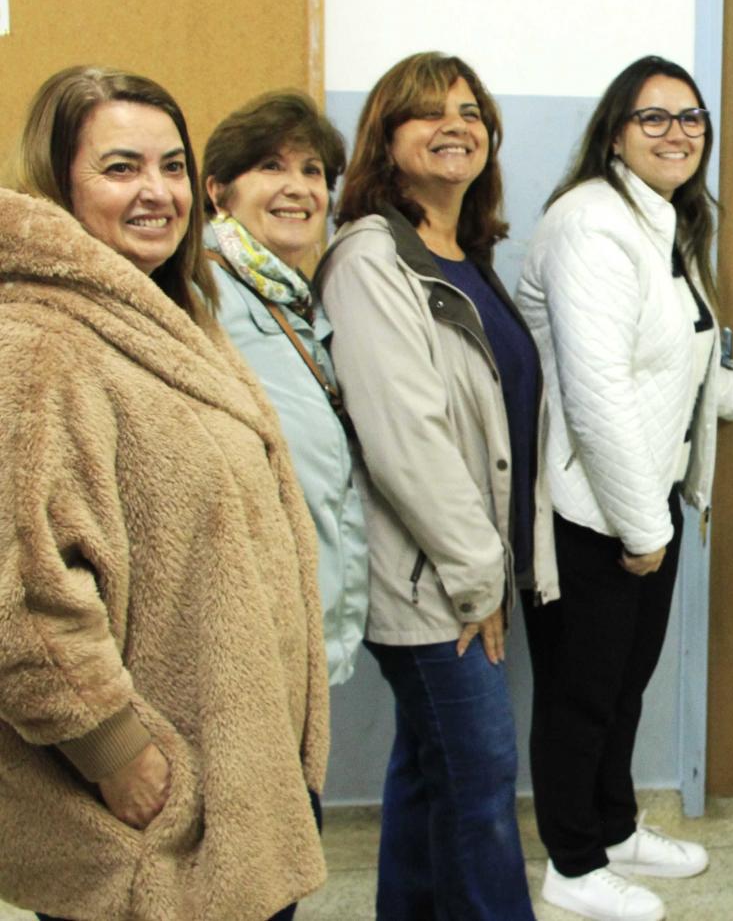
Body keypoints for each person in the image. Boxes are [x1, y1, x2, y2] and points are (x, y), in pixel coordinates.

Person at [0, 66, 328, 920]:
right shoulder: (39, 341)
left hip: (231, 781)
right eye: (121, 168)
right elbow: (23, 597)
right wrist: (119, 755)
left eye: (173, 166)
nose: (157, 192)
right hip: (151, 819)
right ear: (60, 180)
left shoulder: (171, 311)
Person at [516, 55, 733, 921]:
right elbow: (597, 392)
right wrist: (640, 530)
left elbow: (671, 354)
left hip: (643, 501)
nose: (676, 133)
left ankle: (614, 827)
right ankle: (573, 864)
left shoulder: (661, 220)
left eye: (690, 118)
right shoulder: (592, 224)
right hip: (592, 511)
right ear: (615, 132)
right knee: (581, 692)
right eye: (653, 118)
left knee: (623, 687)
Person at [317, 52, 543, 920]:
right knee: (481, 787)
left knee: (429, 769)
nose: (456, 124)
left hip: (470, 567)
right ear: (386, 138)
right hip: (433, 582)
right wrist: (479, 576)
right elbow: (406, 443)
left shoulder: (468, 254)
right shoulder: (373, 259)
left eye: (470, 109)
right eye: (427, 113)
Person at [202, 90, 369, 687]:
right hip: (242, 637)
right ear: (218, 191)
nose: (297, 187)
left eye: (312, 171)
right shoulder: (203, 295)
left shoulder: (288, 298)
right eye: (270, 166)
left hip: (299, 632)